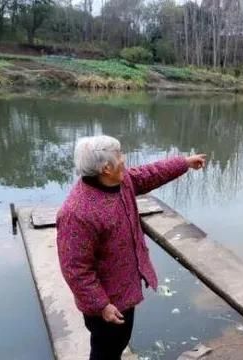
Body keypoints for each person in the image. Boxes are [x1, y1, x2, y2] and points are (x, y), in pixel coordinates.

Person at [56, 135, 206, 360]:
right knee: (106, 350)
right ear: (106, 168)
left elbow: (150, 174)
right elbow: (75, 270)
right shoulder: (77, 213)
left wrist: (184, 163)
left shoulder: (120, 181)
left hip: (124, 289)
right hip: (107, 301)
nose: (124, 159)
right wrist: (102, 306)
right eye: (120, 156)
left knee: (116, 344)